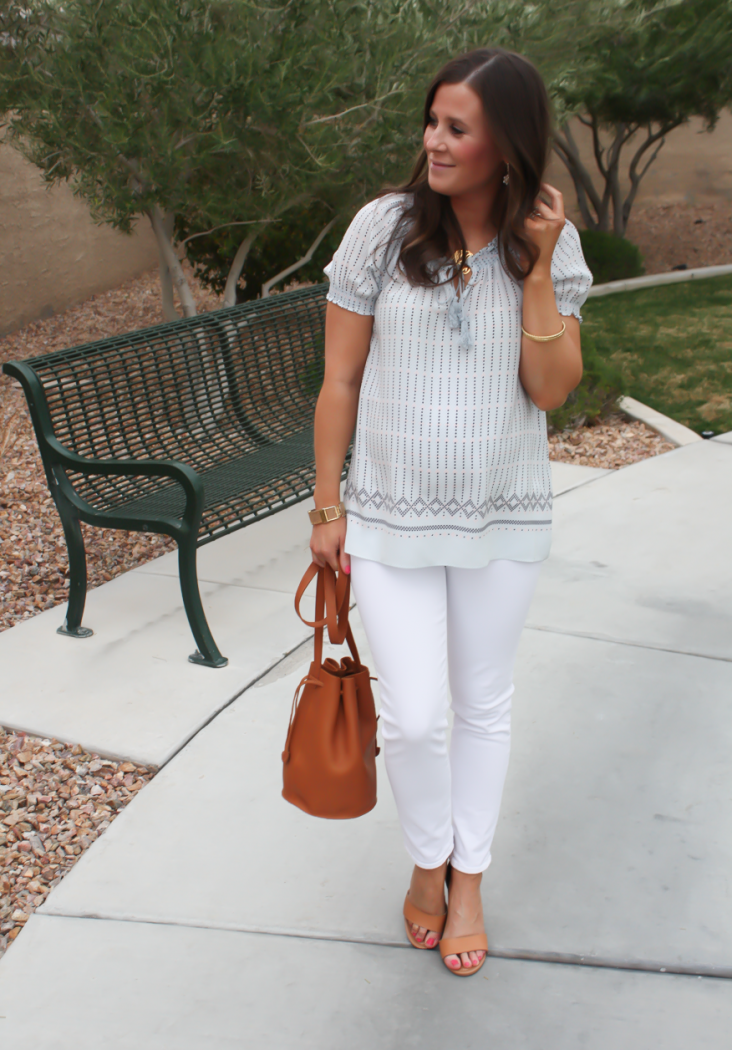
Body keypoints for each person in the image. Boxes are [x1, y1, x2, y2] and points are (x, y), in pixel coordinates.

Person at [309, 47, 592, 977]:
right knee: (417, 717)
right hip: (387, 518)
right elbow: (340, 379)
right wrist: (326, 504)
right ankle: (427, 852)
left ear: (505, 146)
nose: (434, 140)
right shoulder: (383, 230)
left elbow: (551, 390)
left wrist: (541, 273)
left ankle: (465, 877)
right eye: (432, 121)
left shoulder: (547, 239)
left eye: (456, 127)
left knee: (483, 706)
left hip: (502, 518)